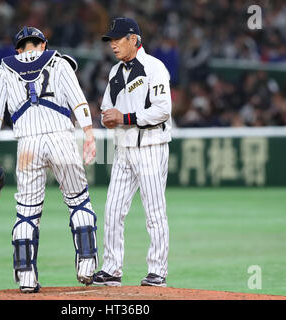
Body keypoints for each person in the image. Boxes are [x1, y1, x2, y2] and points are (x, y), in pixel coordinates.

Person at [0, 26, 98, 293]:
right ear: (43, 45)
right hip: (62, 140)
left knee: (27, 212)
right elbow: (79, 102)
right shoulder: (59, 61)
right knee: (78, 200)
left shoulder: (3, 69)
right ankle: (87, 264)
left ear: (18, 49)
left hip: (28, 146)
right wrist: (89, 134)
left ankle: (25, 277)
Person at [92, 17, 172, 287]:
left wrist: (123, 118)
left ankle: (157, 270)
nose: (113, 44)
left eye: (117, 39)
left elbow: (163, 109)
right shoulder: (115, 72)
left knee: (154, 211)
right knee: (113, 210)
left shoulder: (154, 68)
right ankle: (112, 268)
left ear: (134, 39)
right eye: (111, 40)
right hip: (124, 148)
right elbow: (106, 109)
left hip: (150, 145)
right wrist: (108, 118)